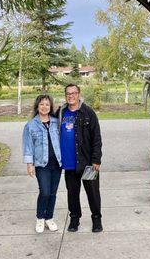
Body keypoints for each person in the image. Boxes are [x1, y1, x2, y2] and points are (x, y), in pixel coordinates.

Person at [56, 83, 103, 232]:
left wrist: (96, 160)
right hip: (69, 164)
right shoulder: (61, 112)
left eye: (74, 93)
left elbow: (97, 138)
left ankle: (96, 219)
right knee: (72, 193)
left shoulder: (88, 112)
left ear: (79, 94)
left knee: (93, 193)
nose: (71, 96)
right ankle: (74, 219)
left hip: (88, 163)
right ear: (65, 96)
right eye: (68, 93)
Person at [22, 94, 62, 233]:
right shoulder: (31, 125)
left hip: (57, 163)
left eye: (47, 104)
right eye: (42, 104)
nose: (44, 107)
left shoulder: (57, 122)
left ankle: (49, 218)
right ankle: (40, 218)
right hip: (41, 164)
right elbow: (28, 146)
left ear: (50, 107)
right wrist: (29, 164)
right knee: (44, 192)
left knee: (53, 193)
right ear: (37, 106)